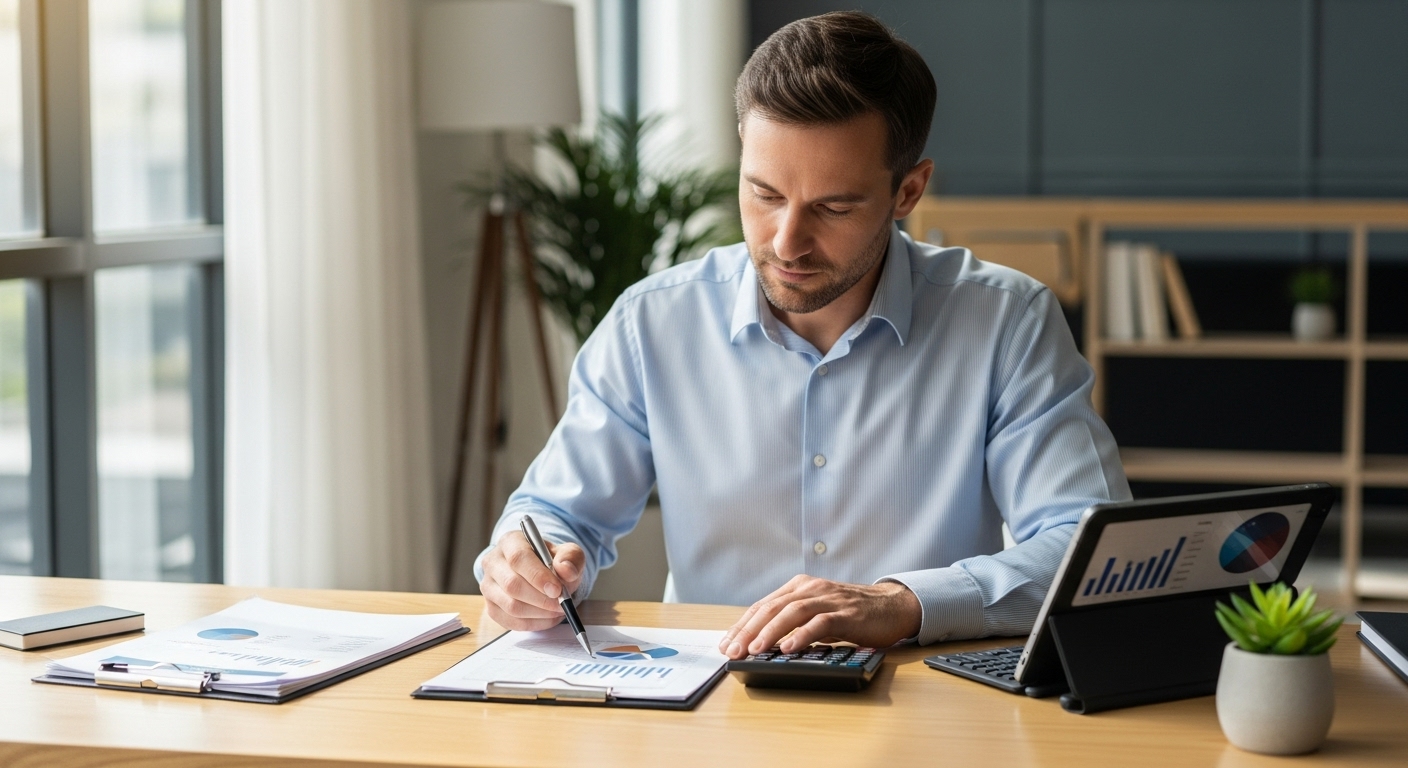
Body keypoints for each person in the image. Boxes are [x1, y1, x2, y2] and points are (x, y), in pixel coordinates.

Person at [474, 11, 1130, 659]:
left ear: (909, 191)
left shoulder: (1007, 322)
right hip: (708, 704)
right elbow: (557, 512)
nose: (787, 241)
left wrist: (905, 604)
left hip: (923, 705)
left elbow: (1089, 547)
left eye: (833, 207)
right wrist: (524, 566)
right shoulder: (652, 323)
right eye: (763, 194)